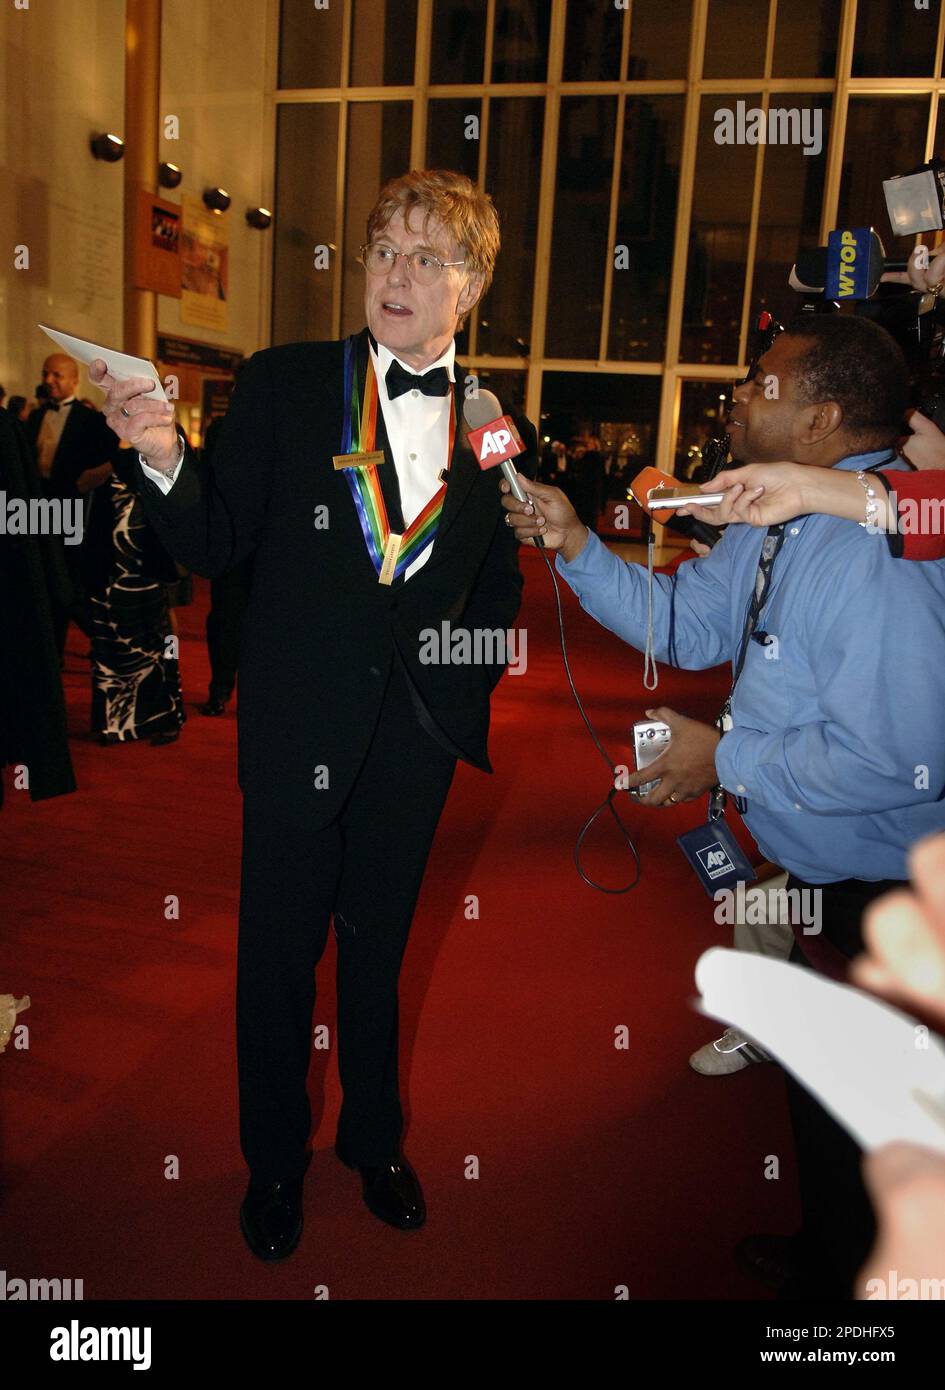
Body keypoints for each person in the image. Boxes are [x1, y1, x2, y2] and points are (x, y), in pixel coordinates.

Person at [90, 169, 534, 1262]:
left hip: (412, 744)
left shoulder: (493, 423)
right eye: (386, 248)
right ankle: (275, 1164)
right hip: (297, 737)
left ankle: (374, 1144)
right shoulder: (290, 385)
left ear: (470, 287)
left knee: (379, 956)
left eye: (429, 258)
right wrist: (161, 458)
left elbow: (496, 587)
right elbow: (214, 538)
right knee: (279, 958)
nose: (398, 273)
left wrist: (453, 695)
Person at [501, 313, 945, 1298]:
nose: (741, 395)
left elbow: (903, 758)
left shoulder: (876, 555)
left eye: (763, 383)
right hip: (823, 872)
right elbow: (684, 620)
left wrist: (726, 759)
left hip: (889, 889)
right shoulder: (785, 521)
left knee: (879, 1123)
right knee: (830, 1094)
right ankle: (831, 1254)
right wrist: (575, 542)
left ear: (824, 417)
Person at [81, 453, 185, 747]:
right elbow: (80, 483)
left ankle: (166, 716)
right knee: (109, 647)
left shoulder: (163, 458)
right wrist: (114, 461)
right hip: (110, 573)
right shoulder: (111, 462)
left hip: (151, 571)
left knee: (160, 647)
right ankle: (115, 724)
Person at [25, 354, 123, 659]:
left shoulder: (90, 420)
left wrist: (85, 485)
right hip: (39, 511)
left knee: (70, 583)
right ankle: (53, 651)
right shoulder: (37, 417)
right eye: (46, 374)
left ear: (73, 380)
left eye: (56, 375)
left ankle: (103, 638)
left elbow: (110, 462)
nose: (49, 380)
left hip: (74, 511)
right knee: (46, 582)